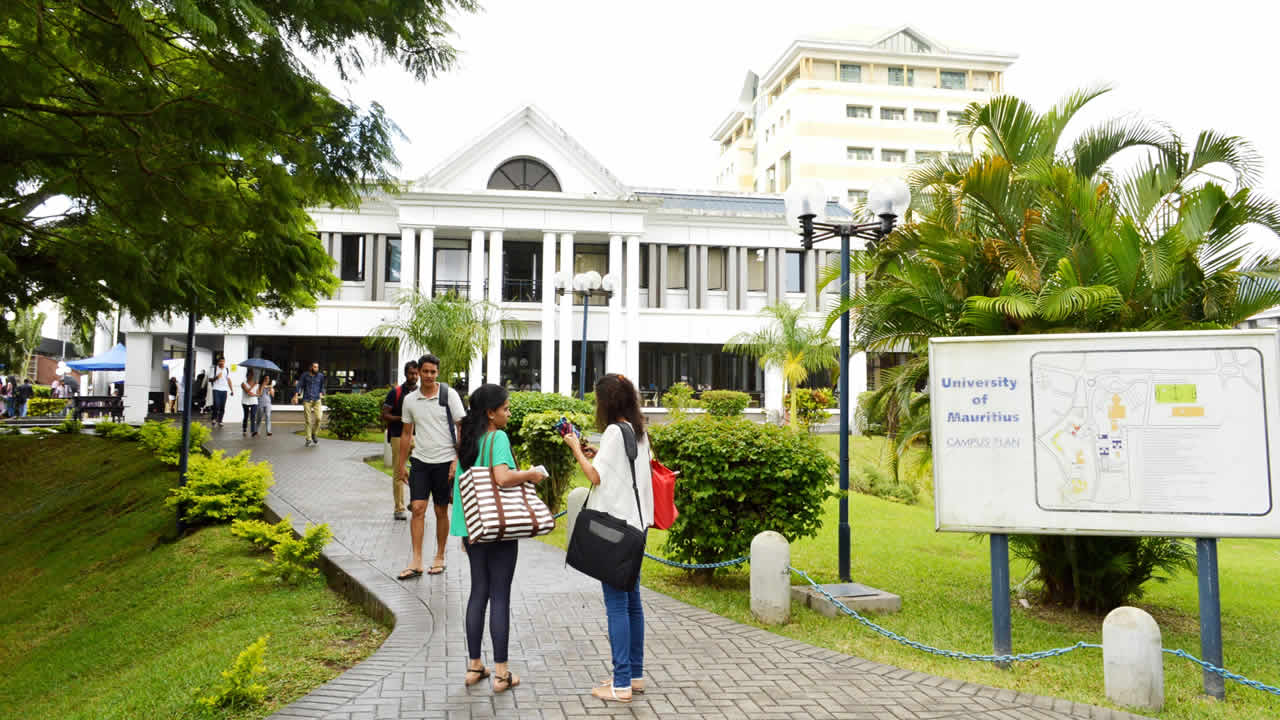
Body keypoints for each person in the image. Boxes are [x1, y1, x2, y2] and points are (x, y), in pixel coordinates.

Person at [563, 373, 655, 703]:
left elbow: (595, 476)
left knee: (617, 604)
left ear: (607, 402)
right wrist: (595, 451)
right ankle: (634, 675)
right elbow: (623, 468)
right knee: (632, 602)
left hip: (615, 531)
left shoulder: (616, 432)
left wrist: (576, 448)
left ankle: (621, 684)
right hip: (637, 527)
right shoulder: (638, 431)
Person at [449, 384, 547, 692]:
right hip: (500, 527)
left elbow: (461, 490)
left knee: (478, 592)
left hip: (475, 528)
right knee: (500, 594)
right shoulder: (498, 438)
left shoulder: (468, 441)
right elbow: (502, 478)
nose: (509, 413)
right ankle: (502, 673)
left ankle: (474, 666)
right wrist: (530, 474)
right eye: (505, 408)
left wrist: (465, 532)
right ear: (491, 413)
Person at [396, 354, 464, 577]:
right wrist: (400, 465)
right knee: (417, 508)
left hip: (445, 461)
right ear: (418, 372)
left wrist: (457, 460)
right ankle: (416, 560)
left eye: (433, 372)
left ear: (437, 373)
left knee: (440, 510)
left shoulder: (449, 395)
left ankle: (440, 555)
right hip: (420, 461)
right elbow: (406, 433)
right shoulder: (410, 400)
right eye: (425, 371)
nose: (428, 375)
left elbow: (462, 428)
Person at [382, 360, 419, 521]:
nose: (414, 376)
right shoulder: (395, 393)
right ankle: (399, 508)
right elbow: (384, 415)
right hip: (398, 435)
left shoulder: (421, 393)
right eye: (411, 373)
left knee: (420, 471)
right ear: (405, 374)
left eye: (416, 373)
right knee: (398, 471)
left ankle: (416, 503)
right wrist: (403, 419)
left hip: (418, 436)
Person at [294, 362, 325, 447]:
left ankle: (314, 433)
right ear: (311, 367)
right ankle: (308, 438)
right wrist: (296, 396)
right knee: (308, 420)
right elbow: (299, 385)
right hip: (307, 400)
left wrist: (322, 392)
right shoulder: (305, 375)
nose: (316, 369)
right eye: (315, 367)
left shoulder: (320, 376)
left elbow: (322, 386)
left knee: (319, 418)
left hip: (317, 400)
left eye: (317, 367)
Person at [210, 357, 232, 427]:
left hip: (224, 390)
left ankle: (220, 421)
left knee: (222, 406)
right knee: (216, 404)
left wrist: (231, 390)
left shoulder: (226, 369)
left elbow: (229, 380)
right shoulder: (214, 369)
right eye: (220, 361)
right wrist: (217, 377)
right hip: (216, 389)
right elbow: (210, 380)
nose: (222, 363)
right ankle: (214, 418)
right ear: (218, 362)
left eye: (223, 361)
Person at [240, 369, 260, 437]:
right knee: (246, 416)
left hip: (254, 402)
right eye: (250, 375)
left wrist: (260, 386)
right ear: (247, 375)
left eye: (252, 375)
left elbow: (258, 393)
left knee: (253, 416)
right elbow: (247, 392)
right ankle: (244, 429)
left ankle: (253, 431)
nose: (251, 376)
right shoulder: (243, 383)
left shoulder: (257, 384)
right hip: (245, 402)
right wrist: (253, 385)